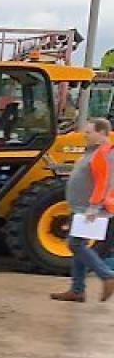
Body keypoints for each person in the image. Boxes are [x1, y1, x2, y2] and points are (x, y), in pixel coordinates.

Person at [52, 117, 114, 303]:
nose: (84, 135)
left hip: (90, 209)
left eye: (89, 132)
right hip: (81, 208)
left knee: (75, 244)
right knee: (79, 246)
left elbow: (105, 182)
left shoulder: (105, 153)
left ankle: (107, 275)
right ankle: (77, 290)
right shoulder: (92, 151)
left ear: (101, 133)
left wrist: (94, 207)